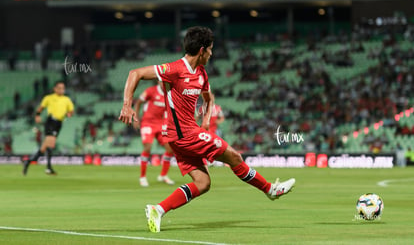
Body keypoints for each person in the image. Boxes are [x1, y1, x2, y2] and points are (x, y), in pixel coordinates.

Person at [119, 26, 295, 233]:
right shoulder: (175, 69)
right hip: (182, 135)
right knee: (234, 156)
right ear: (202, 50)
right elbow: (135, 73)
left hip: (187, 134)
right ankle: (270, 189)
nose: (212, 54)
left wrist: (205, 122)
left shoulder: (201, 74)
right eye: (211, 49)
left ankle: (158, 209)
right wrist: (127, 105)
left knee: (203, 183)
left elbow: (208, 99)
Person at [22, 81, 75, 175]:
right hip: (51, 121)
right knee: (51, 144)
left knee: (43, 149)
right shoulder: (49, 98)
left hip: (59, 123)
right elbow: (41, 108)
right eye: (59, 88)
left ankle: (28, 162)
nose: (61, 90)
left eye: (63, 88)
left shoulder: (67, 99)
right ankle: (48, 168)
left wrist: (69, 114)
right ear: (55, 89)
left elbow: (71, 111)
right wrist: (37, 115)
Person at [133, 81, 175, 187]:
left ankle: (163, 175)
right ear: (158, 81)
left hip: (161, 124)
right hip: (148, 123)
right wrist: (136, 117)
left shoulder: (169, 94)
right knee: (148, 148)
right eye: (162, 81)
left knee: (170, 149)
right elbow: (138, 102)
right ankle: (142, 177)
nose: (163, 83)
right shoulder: (150, 91)